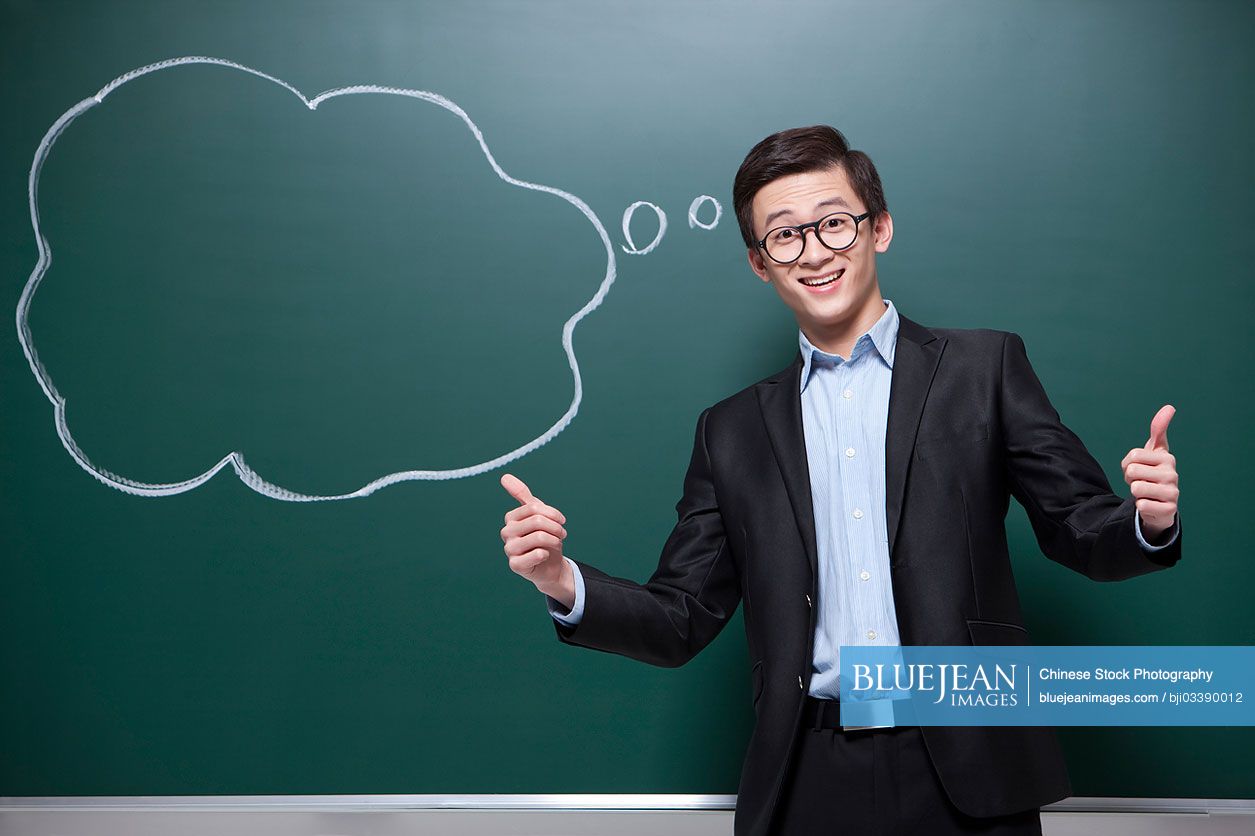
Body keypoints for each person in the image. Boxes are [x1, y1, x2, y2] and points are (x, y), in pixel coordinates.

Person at [497, 125, 1182, 836]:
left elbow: (1079, 527)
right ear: (760, 264)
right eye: (784, 237)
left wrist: (1145, 520)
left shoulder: (984, 370)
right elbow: (680, 618)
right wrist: (559, 578)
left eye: (833, 223)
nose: (814, 251)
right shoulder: (729, 430)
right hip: (804, 777)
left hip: (969, 764)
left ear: (878, 228)